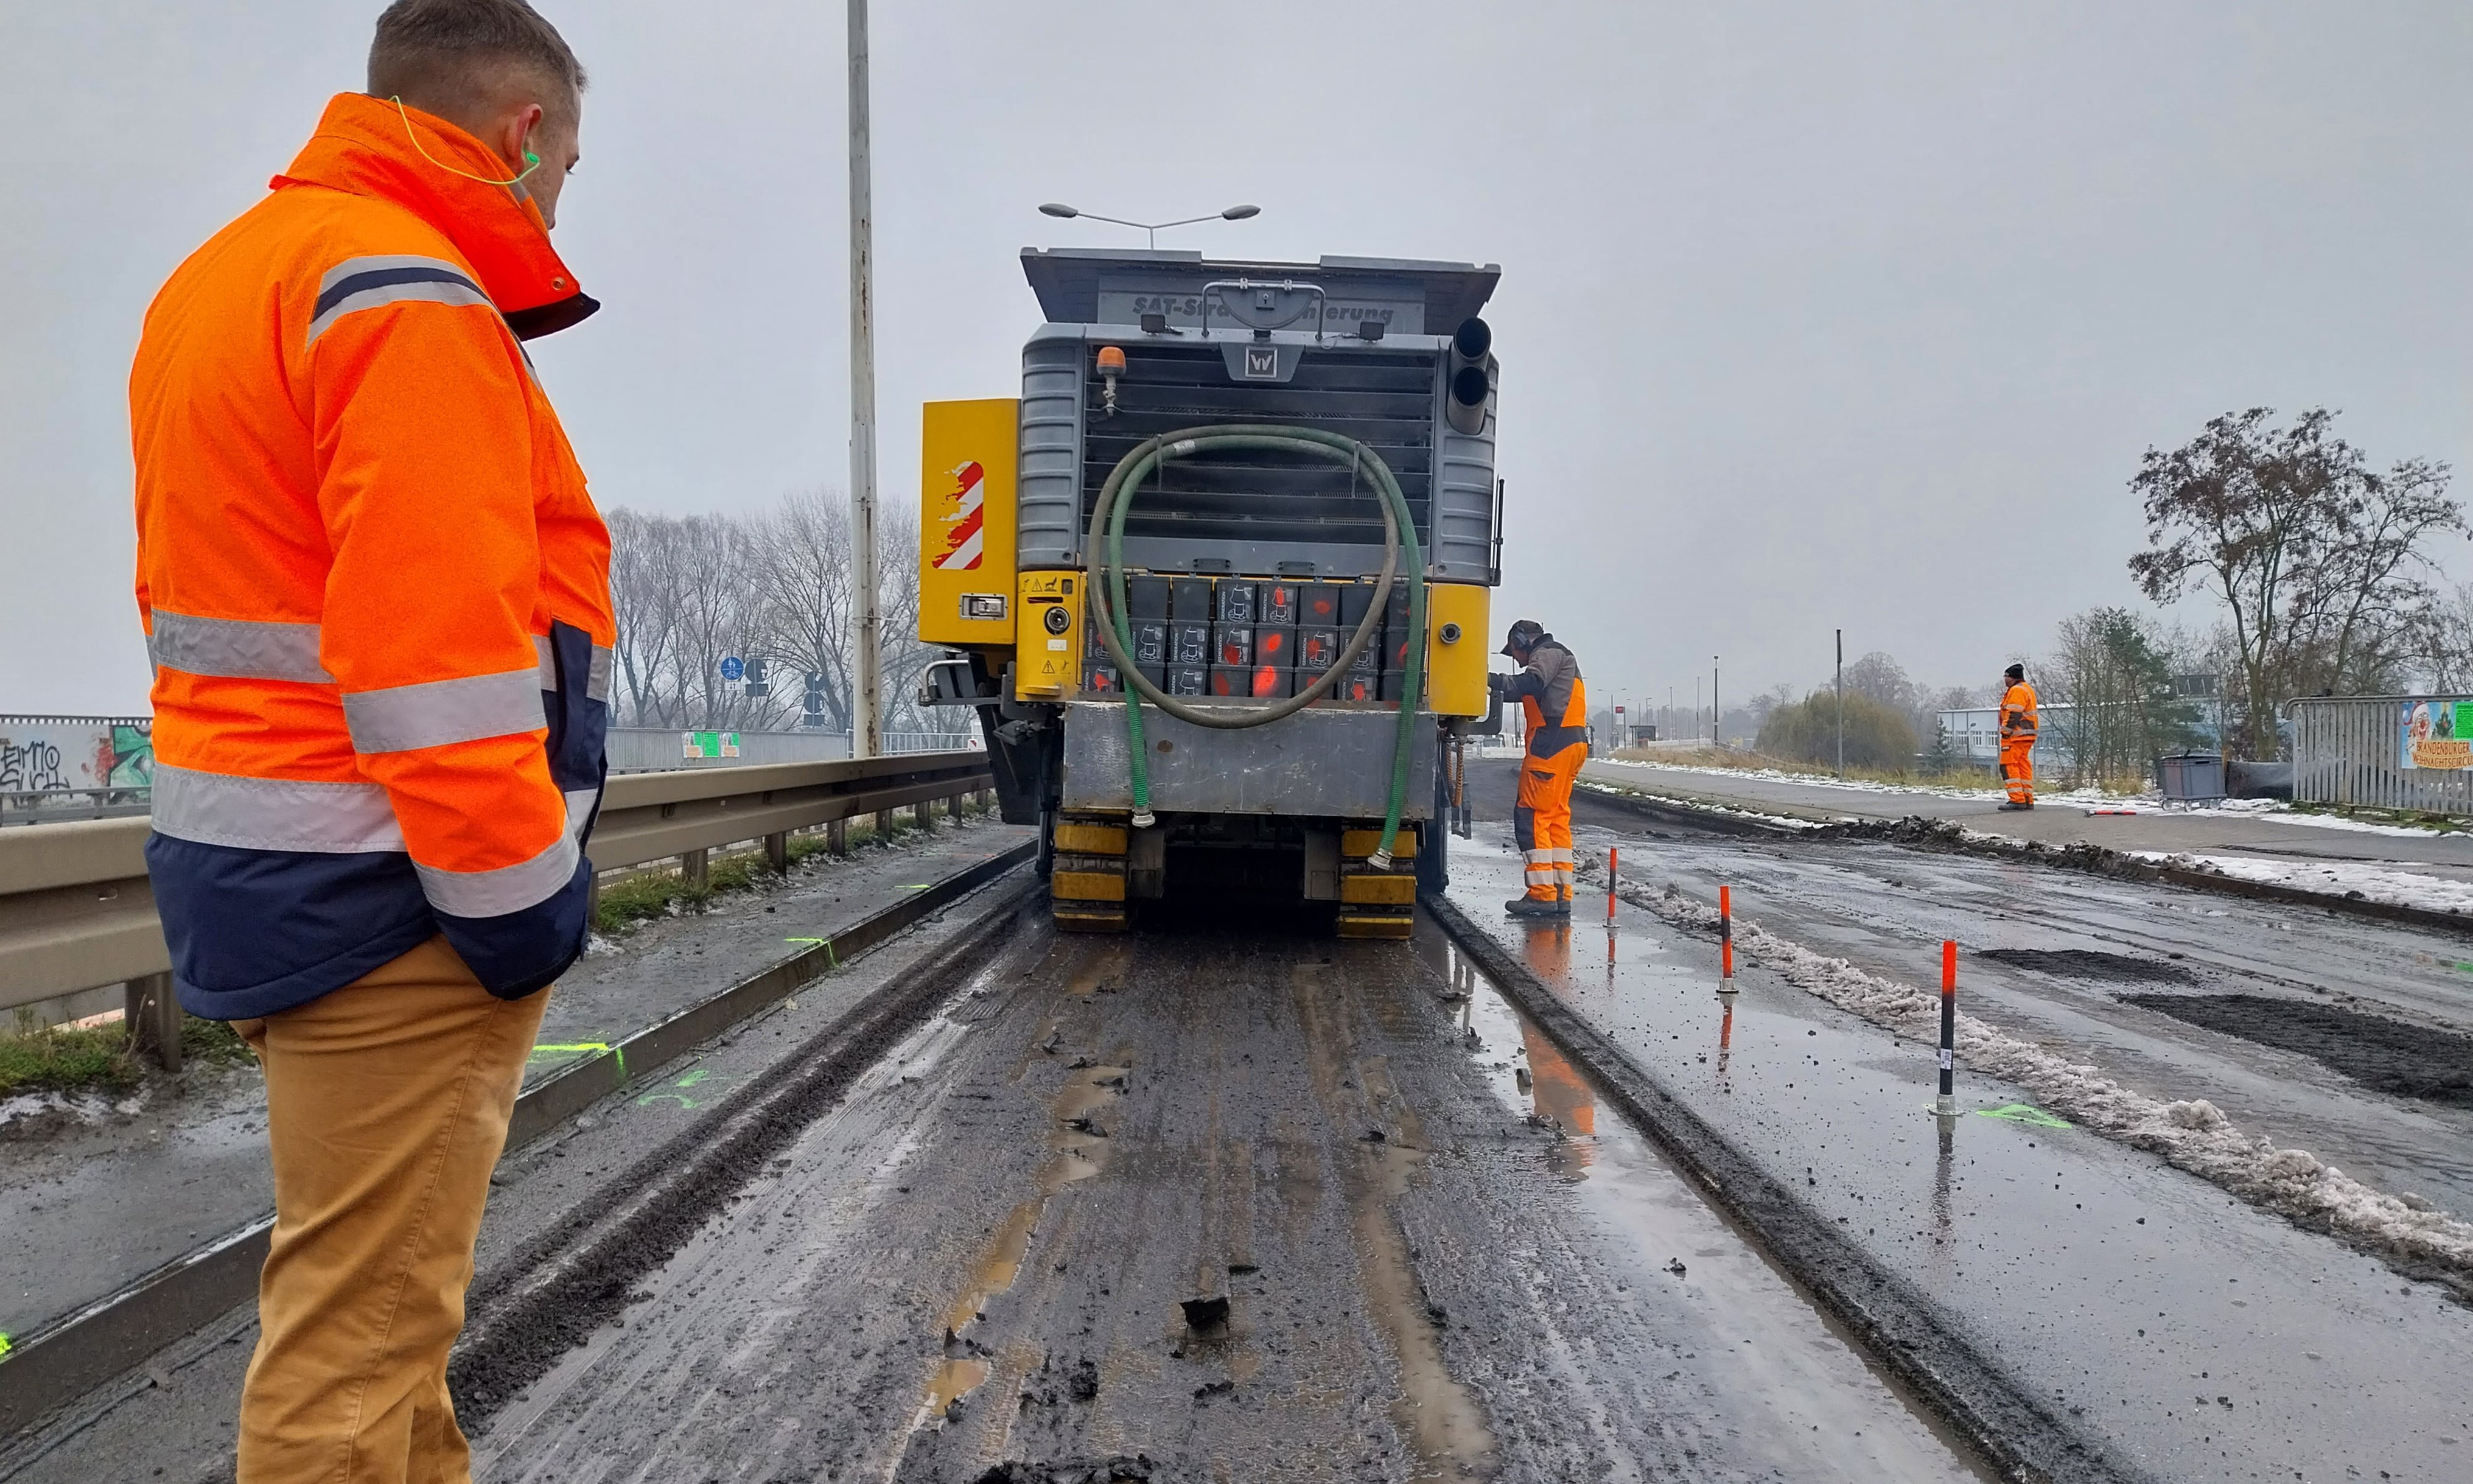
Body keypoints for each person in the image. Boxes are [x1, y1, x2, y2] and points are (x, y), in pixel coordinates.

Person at [128, 3, 609, 1477]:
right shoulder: (407, 296)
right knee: (352, 1344)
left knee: (390, 1317)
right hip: (392, 890)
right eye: (568, 168)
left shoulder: (225, 279)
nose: (559, 197)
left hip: (266, 852)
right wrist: (525, 909)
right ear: (521, 137)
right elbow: (439, 668)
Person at [1491, 620, 1589, 916]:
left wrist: (1487, 679)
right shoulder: (1562, 660)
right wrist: (1493, 685)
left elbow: (1530, 684)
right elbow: (1520, 691)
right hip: (1570, 744)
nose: (1517, 661)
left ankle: (1542, 894)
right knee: (1555, 819)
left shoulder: (1547, 654)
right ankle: (1560, 893)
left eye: (1514, 653)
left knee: (1531, 816)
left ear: (1522, 641)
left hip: (1550, 745)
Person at [1997, 662, 2038, 810]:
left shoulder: (2017, 691)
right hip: (2026, 735)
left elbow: (2014, 713)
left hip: (2016, 735)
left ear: (2013, 678)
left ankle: (2017, 800)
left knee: (2008, 766)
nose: (2004, 679)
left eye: (2006, 676)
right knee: (2022, 765)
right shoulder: (2027, 689)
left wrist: (2006, 731)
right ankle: (2027, 799)